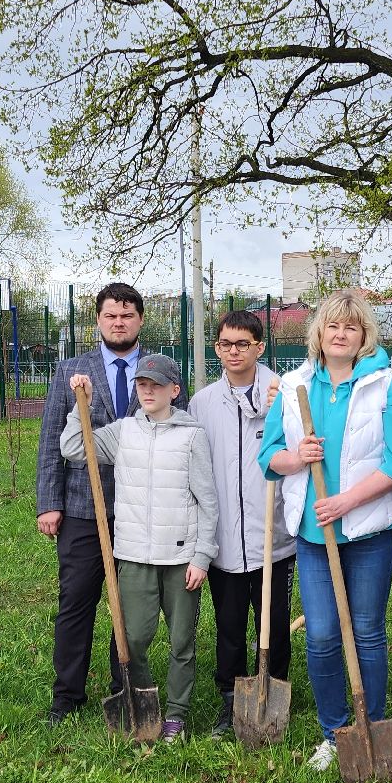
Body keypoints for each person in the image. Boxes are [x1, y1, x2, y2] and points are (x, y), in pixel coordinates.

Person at [259, 289, 392, 771]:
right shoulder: (294, 388)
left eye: (351, 327)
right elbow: (269, 455)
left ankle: (369, 726)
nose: (341, 334)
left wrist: (347, 501)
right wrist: (298, 458)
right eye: (333, 326)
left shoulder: (384, 385)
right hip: (312, 533)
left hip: (368, 529)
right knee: (324, 634)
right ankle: (334, 732)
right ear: (319, 333)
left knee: (367, 630)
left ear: (363, 336)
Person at [36, 283, 187, 723]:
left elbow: (182, 429)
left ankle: (123, 682)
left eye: (126, 315)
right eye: (110, 316)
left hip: (141, 510)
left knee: (130, 603)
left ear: (140, 320)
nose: (118, 322)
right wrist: (50, 502)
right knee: (77, 601)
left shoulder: (160, 370)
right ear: (98, 321)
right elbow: (51, 442)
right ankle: (67, 696)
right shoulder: (72, 370)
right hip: (85, 509)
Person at [60, 353, 217, 741]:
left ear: (174, 391)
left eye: (157, 385)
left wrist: (201, 556)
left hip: (180, 558)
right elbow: (74, 448)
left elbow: (208, 502)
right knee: (133, 639)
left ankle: (177, 715)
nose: (148, 391)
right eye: (142, 384)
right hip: (133, 556)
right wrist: (84, 403)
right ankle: (144, 703)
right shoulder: (123, 431)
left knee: (182, 641)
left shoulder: (192, 435)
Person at [193, 310, 294, 738]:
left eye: (242, 344)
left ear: (259, 347)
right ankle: (231, 698)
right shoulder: (202, 402)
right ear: (217, 348)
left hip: (274, 537)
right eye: (225, 345)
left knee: (273, 620)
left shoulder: (283, 394)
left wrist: (274, 414)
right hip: (224, 541)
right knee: (230, 626)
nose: (233, 352)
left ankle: (273, 689)